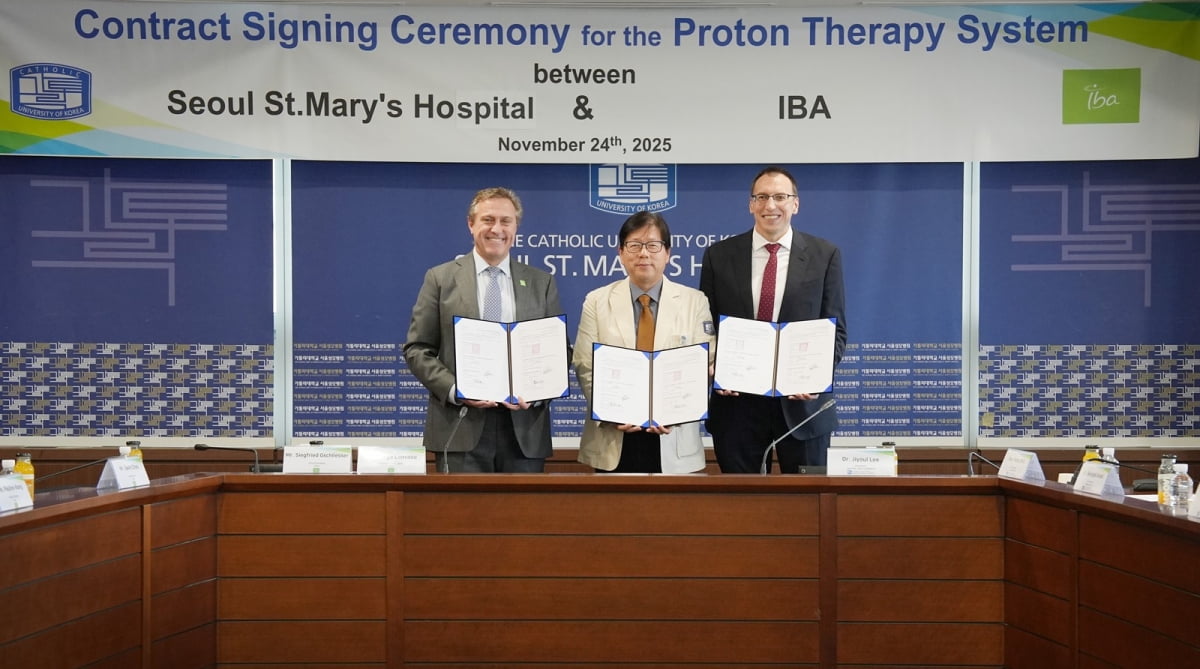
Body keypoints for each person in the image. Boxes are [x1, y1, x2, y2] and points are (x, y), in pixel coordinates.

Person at [404, 187, 562, 472]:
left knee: (525, 504)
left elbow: (559, 351)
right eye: (488, 220)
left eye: (505, 221)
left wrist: (538, 391)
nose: (496, 229)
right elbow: (417, 349)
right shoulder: (440, 279)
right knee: (460, 504)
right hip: (460, 424)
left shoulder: (542, 282)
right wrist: (456, 390)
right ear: (471, 224)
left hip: (523, 432)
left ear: (516, 227)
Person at [699, 166, 847, 472]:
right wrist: (714, 366)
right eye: (762, 197)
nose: (770, 205)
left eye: (780, 197)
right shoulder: (719, 255)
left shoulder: (825, 255)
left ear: (795, 203)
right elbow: (706, 326)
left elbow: (836, 330)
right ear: (751, 204)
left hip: (803, 407)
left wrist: (816, 378)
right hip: (737, 405)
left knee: (808, 499)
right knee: (742, 499)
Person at [573, 211, 715, 473]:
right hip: (614, 436)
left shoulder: (695, 302)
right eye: (634, 245)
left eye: (653, 245)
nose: (643, 254)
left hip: (673, 435)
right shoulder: (597, 301)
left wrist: (672, 412)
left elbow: (703, 365)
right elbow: (585, 365)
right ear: (621, 252)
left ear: (667, 253)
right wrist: (612, 412)